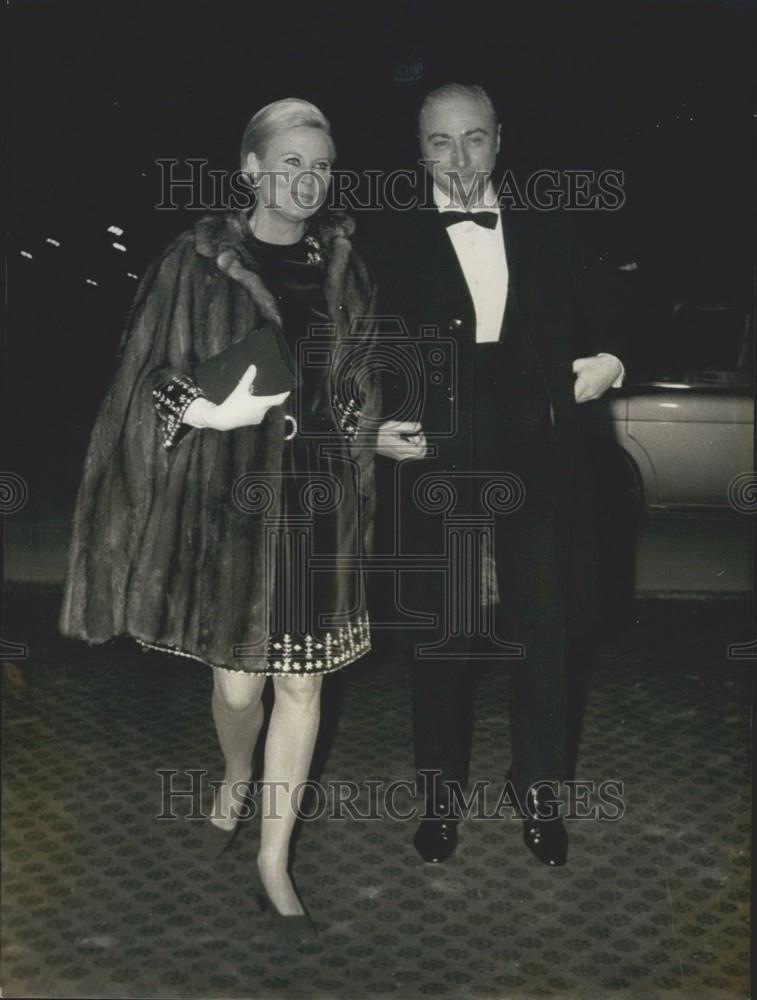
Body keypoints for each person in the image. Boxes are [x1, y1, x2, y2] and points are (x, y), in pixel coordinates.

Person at [59, 98, 381, 939]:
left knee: (302, 682)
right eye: (289, 163)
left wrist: (368, 424)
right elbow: (141, 377)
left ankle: (274, 861)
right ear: (250, 168)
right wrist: (201, 415)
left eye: (319, 165)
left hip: (315, 499)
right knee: (238, 686)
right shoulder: (193, 263)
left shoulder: (344, 265)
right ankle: (235, 771)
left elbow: (361, 380)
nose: (305, 181)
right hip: (229, 504)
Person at [374, 82, 631, 866]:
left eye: (474, 139)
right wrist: (369, 425)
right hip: (438, 464)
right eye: (440, 143)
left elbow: (619, 305)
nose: (458, 158)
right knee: (444, 643)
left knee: (544, 638)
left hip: (540, 461)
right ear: (418, 149)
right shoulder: (380, 242)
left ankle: (539, 792)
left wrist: (612, 359)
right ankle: (440, 801)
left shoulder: (552, 229)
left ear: (498, 141)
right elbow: (340, 347)